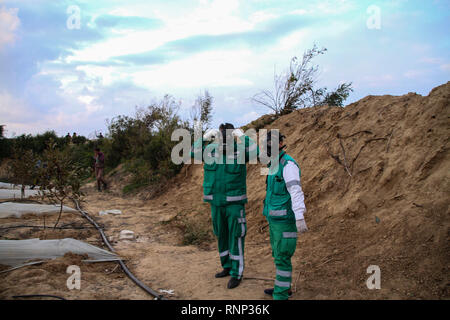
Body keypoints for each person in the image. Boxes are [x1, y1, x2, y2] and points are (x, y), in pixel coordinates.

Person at [191, 123, 258, 289]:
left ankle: (237, 273)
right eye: (221, 136)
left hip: (234, 204)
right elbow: (192, 152)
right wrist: (204, 138)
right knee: (221, 235)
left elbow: (257, 152)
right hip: (216, 203)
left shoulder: (240, 151)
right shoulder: (211, 150)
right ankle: (226, 267)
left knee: (236, 236)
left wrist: (243, 136)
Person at [261, 130, 308, 300]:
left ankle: (280, 295)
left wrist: (299, 216)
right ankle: (284, 287)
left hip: (285, 222)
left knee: (282, 257)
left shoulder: (288, 165)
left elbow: (295, 190)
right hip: (275, 221)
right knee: (278, 255)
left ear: (280, 143)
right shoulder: (273, 165)